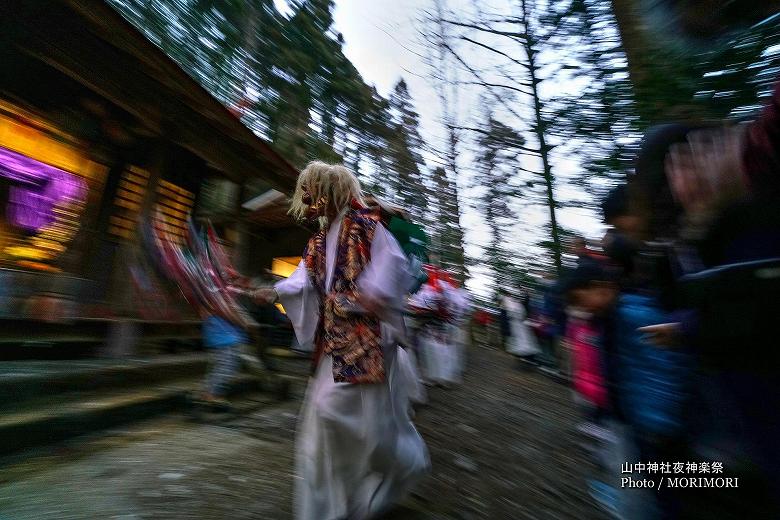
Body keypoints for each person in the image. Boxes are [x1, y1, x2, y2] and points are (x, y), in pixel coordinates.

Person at [253, 161, 429, 520]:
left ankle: (397, 467)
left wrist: (373, 294)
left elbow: (392, 263)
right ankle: (331, 507)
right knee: (322, 418)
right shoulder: (317, 241)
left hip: (369, 342)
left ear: (332, 193)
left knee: (371, 431)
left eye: (316, 192)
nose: (311, 200)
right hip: (335, 343)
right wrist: (273, 291)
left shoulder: (366, 225)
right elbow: (303, 280)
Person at [499, 287, 540, 365]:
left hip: (519, 325)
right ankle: (526, 358)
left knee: (525, 341)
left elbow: (520, 314)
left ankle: (526, 358)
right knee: (524, 342)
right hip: (518, 325)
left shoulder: (516, 304)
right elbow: (517, 315)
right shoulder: (513, 304)